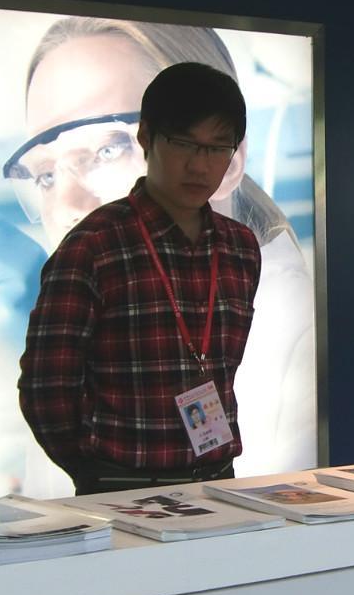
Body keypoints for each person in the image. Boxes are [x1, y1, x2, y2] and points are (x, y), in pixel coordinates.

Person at [0, 16, 316, 483]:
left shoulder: (282, 315)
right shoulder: (97, 257)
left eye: (107, 148)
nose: (66, 205)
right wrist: (104, 477)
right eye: (46, 174)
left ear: (229, 158)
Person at [18, 62, 261, 493]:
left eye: (216, 148)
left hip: (217, 480)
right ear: (146, 137)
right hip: (121, 486)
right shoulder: (93, 246)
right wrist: (95, 470)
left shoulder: (239, 248)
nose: (200, 165)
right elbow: (47, 389)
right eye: (184, 144)